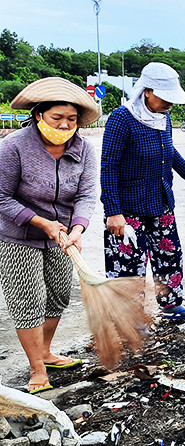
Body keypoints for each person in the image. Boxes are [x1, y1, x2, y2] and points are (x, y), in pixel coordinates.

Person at [0, 77, 100, 393]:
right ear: (39, 115)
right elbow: (1, 197)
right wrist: (42, 223)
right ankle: (36, 368)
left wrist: (78, 228)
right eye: (57, 118)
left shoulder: (83, 149)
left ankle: (45, 351)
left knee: (57, 294)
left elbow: (86, 194)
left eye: (71, 119)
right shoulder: (14, 146)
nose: (65, 125)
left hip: (63, 236)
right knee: (28, 299)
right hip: (18, 236)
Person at [101, 62, 185, 321]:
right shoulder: (122, 118)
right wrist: (113, 212)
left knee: (169, 255)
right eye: (165, 98)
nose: (170, 104)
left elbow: (169, 153)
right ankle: (130, 319)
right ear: (147, 91)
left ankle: (171, 305)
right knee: (128, 267)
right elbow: (108, 167)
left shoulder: (164, 118)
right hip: (128, 208)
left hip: (160, 202)